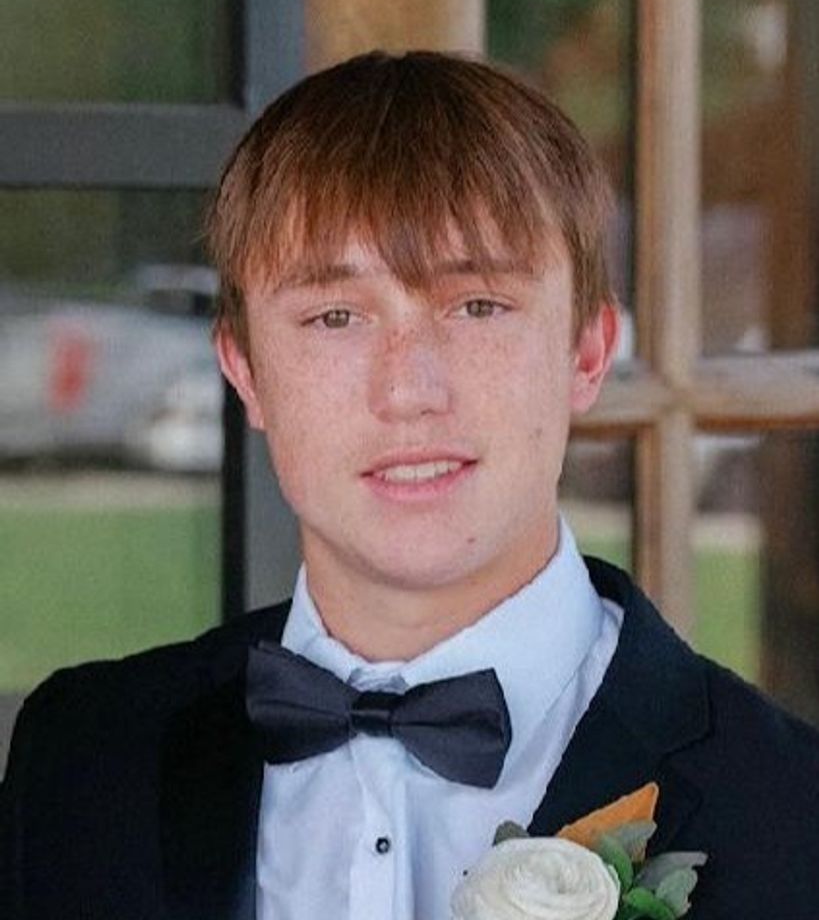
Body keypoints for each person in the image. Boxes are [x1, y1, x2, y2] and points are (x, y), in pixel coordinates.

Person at [1, 50, 818, 920]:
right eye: (335, 317)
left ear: (586, 351)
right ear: (244, 372)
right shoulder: (79, 760)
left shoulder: (793, 814)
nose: (407, 391)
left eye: (477, 306)